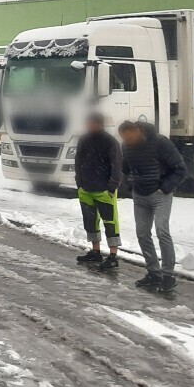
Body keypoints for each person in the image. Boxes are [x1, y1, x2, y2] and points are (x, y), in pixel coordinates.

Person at [119, 120, 187, 293]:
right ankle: (153, 273)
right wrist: (129, 183)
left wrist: (164, 187)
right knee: (142, 234)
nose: (128, 141)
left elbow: (180, 169)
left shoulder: (160, 142)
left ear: (139, 131)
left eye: (130, 137)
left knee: (161, 231)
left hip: (160, 195)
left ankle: (168, 275)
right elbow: (125, 169)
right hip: (139, 195)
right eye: (125, 138)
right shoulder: (126, 147)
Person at [73, 113, 123, 270]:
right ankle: (96, 251)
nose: (89, 126)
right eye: (88, 123)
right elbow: (78, 161)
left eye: (92, 123)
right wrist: (79, 183)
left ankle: (113, 256)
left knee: (110, 222)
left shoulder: (110, 141)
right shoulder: (83, 140)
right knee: (90, 221)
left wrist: (112, 186)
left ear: (100, 124)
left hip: (104, 191)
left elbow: (116, 165)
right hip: (86, 189)